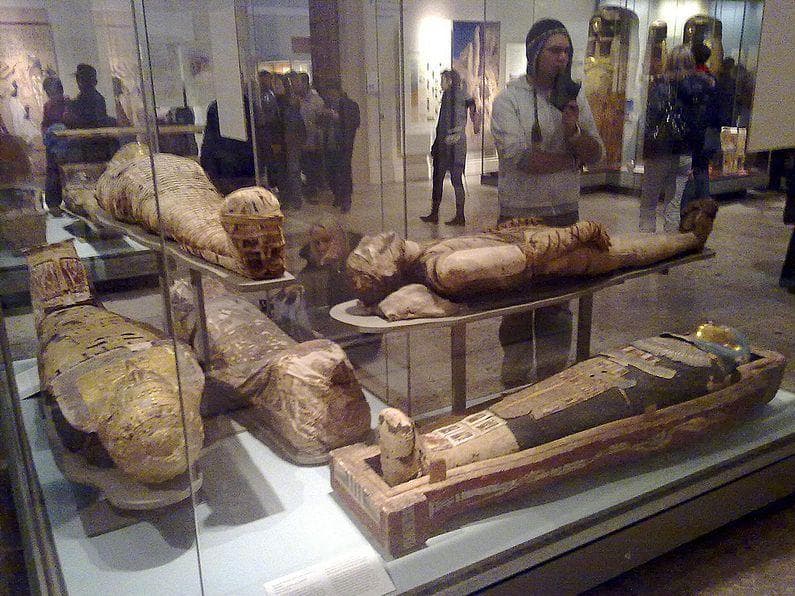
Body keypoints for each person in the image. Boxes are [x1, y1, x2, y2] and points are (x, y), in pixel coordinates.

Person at [490, 18, 603, 388]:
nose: (562, 58)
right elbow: (522, 158)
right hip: (519, 217)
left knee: (557, 305)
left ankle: (552, 387)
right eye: (555, 50)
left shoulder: (574, 99)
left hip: (564, 215)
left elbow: (596, 153)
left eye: (567, 51)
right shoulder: (509, 101)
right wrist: (571, 159)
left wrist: (574, 132)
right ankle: (514, 388)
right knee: (518, 307)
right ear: (535, 52)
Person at [640, 45, 714, 233]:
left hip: (659, 149)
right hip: (685, 151)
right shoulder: (701, 88)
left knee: (649, 202)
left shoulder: (661, 86)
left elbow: (652, 118)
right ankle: (671, 242)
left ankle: (646, 241)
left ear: (669, 62)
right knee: (673, 204)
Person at [420, 69, 479, 225]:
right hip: (449, 143)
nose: (441, 83)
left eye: (443, 80)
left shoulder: (456, 95)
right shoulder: (453, 96)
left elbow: (471, 107)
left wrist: (475, 122)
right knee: (445, 179)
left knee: (450, 179)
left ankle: (455, 215)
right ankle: (441, 214)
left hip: (452, 144)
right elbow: (443, 122)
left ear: (450, 81)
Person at [63, 64, 118, 162]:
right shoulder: (88, 98)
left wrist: (70, 107)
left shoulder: (93, 98)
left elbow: (90, 122)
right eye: (79, 80)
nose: (79, 83)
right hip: (89, 145)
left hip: (92, 146)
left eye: (83, 80)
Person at [318, 82, 360, 213]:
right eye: (328, 93)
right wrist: (323, 116)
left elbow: (355, 123)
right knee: (331, 172)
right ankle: (337, 195)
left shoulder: (350, 105)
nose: (329, 95)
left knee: (344, 172)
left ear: (338, 91)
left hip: (343, 144)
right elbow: (320, 124)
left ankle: (346, 200)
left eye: (331, 92)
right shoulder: (326, 104)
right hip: (329, 143)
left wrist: (337, 117)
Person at [293, 72, 326, 203]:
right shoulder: (294, 100)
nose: (295, 86)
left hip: (312, 141)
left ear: (305, 83)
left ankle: (312, 192)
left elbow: (321, 123)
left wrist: (317, 141)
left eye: (298, 83)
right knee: (299, 169)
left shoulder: (317, 101)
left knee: (312, 169)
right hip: (296, 142)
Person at [41, 76, 67, 215]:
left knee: (64, 171)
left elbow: (70, 121)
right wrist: (47, 133)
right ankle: (53, 203)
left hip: (66, 144)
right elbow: (45, 124)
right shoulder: (48, 105)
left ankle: (68, 201)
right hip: (52, 144)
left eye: (54, 91)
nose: (52, 95)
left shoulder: (67, 103)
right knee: (52, 171)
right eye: (49, 92)